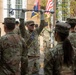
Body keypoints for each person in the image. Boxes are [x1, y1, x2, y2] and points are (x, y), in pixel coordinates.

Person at [19, 10, 46, 75]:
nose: (33, 26)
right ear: (27, 26)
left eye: (33, 25)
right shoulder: (24, 33)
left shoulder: (36, 32)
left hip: (36, 57)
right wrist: (22, 13)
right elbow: (21, 25)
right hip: (29, 58)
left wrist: (42, 14)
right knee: (28, 73)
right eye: (31, 25)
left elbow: (42, 25)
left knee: (36, 73)